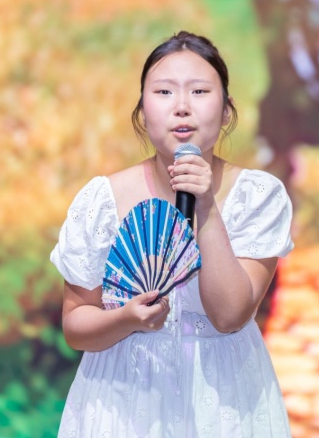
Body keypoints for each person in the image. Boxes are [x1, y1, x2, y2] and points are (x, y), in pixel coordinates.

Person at [50, 31, 294, 436]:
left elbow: (230, 315)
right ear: (142, 112)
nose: (182, 107)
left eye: (199, 91)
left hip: (225, 402)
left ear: (227, 110)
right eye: (164, 92)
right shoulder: (103, 199)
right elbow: (76, 324)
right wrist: (125, 319)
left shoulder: (258, 196)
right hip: (122, 401)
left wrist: (206, 207)